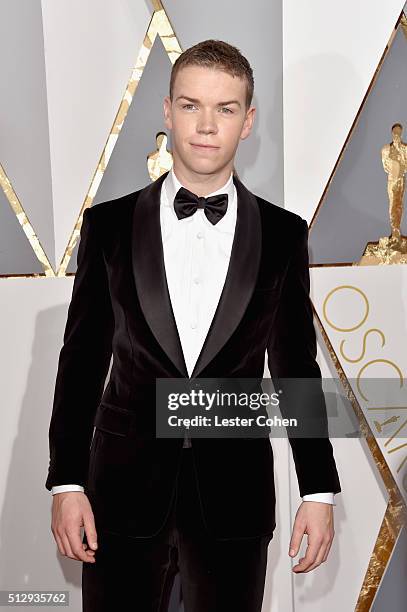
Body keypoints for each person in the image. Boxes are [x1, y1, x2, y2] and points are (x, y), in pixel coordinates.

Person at [46, 39, 341, 612]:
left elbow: (294, 367)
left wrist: (318, 488)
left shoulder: (283, 235)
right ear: (166, 110)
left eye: (225, 109)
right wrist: (67, 481)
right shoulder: (107, 227)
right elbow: (80, 362)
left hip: (234, 496)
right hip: (121, 491)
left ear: (248, 121)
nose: (206, 126)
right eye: (191, 106)